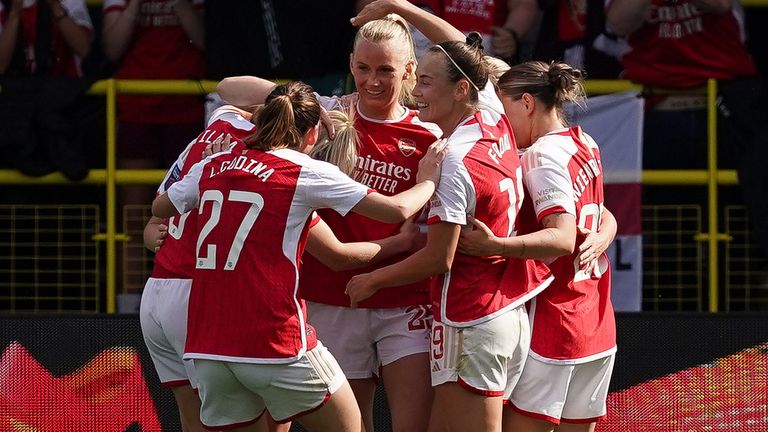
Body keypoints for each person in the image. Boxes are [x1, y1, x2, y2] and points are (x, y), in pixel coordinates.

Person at [151, 81, 446, 432]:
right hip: (274, 341)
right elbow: (396, 210)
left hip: (210, 346)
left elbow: (160, 205)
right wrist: (427, 180)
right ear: (312, 134)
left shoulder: (214, 163)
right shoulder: (302, 172)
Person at [216, 5, 459, 430]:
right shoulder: (329, 115)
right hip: (333, 296)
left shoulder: (431, 133)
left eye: (386, 70)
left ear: (408, 72)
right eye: (363, 68)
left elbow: (479, 71)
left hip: (406, 299)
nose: (372, 81)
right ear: (350, 64)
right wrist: (294, 99)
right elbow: (227, 87)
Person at [346, 5, 552, 431]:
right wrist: (400, 6)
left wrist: (373, 279)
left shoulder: (454, 159)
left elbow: (438, 257)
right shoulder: (492, 117)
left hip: (472, 315)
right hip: (506, 311)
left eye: (424, 81)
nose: (414, 90)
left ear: (459, 91)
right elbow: (462, 52)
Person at [457, 60, 618, 432]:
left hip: (555, 322)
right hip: (595, 319)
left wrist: (495, 244)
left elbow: (561, 237)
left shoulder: (540, 155)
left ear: (527, 103)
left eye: (504, 107)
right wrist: (605, 233)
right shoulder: (584, 141)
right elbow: (602, 212)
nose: (500, 124)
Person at [605, 0, 768, 263]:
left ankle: (735, 300)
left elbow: (719, 5)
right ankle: (670, 300)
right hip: (656, 108)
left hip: (725, 107)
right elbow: (618, 22)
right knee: (668, 219)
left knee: (736, 214)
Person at [0, 0, 93, 77]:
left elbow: (84, 49)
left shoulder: (69, 1)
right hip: (11, 91)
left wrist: (55, 7)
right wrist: (14, 13)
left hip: (65, 90)